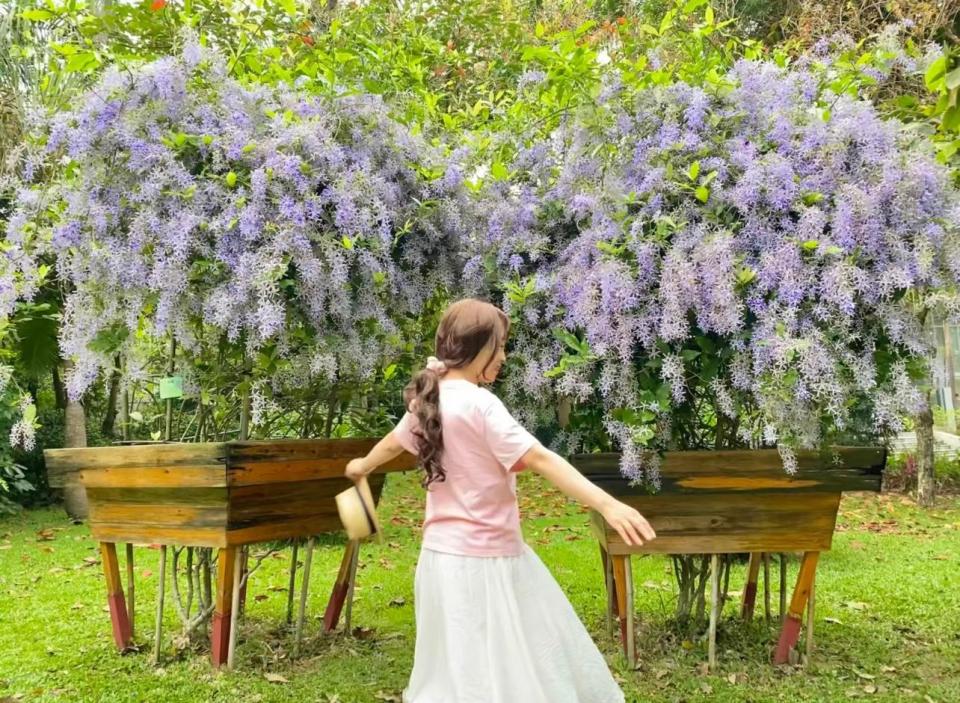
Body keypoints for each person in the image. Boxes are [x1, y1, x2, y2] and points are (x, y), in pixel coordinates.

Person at [345, 298, 656, 703]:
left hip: (440, 561)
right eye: (501, 345)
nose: (504, 357)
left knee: (459, 671)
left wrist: (362, 465)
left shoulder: (429, 398)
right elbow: (540, 458)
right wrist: (608, 504)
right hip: (489, 564)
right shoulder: (480, 404)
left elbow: (391, 443)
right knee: (519, 662)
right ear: (478, 348)